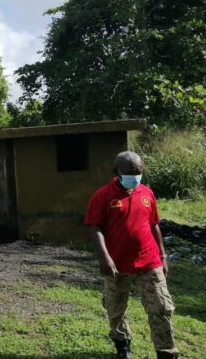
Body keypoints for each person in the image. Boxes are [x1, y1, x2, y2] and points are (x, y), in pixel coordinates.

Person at [85, 151, 178, 359]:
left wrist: (163, 256)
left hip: (149, 261)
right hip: (117, 264)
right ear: (118, 171)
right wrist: (105, 258)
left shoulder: (146, 193)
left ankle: (166, 352)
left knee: (161, 307)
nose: (135, 176)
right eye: (131, 172)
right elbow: (95, 227)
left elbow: (154, 224)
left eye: (139, 172)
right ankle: (122, 347)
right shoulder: (102, 196)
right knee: (115, 308)